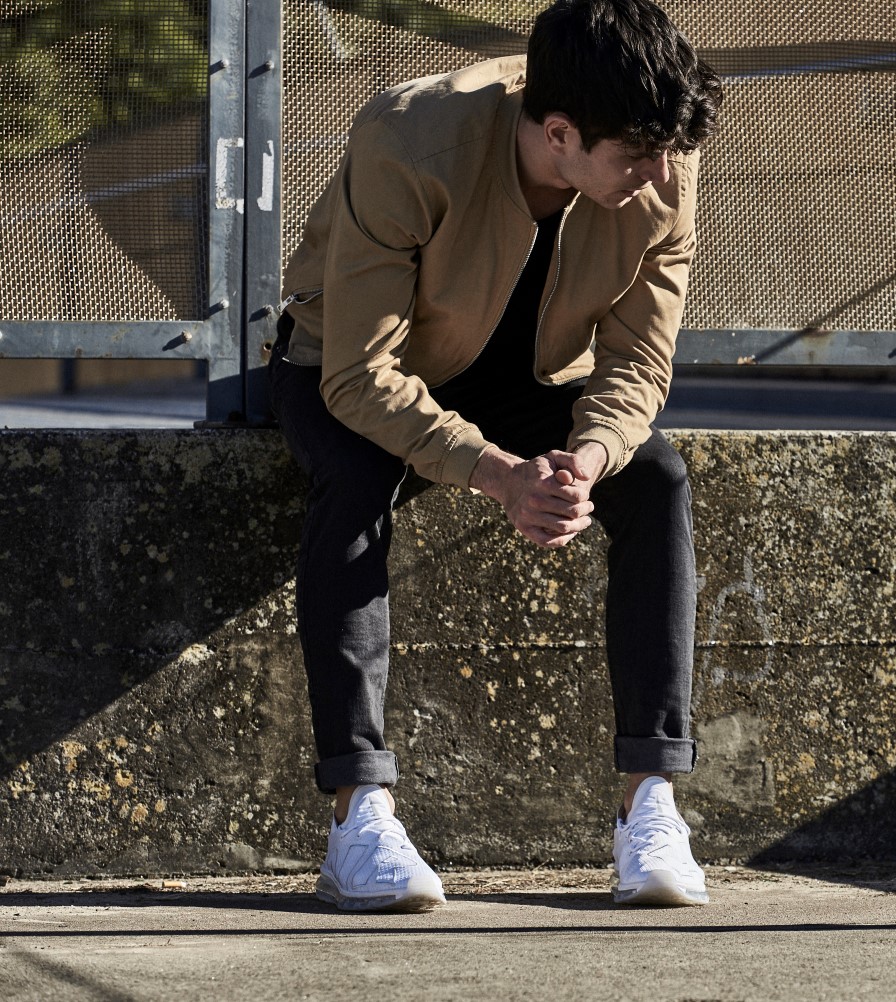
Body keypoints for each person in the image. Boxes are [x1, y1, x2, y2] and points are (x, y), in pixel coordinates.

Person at [269, 0, 723, 912]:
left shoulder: (659, 163)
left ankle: (651, 803)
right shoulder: (408, 141)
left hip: (533, 373)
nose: (663, 174)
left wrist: (586, 460)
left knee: (656, 477)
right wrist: (497, 472)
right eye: (638, 156)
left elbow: (637, 361)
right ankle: (360, 816)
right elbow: (360, 374)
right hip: (349, 363)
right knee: (358, 478)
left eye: (669, 152)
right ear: (559, 133)